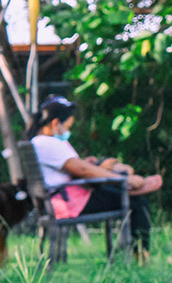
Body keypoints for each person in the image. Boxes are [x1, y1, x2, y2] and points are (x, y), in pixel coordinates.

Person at [30, 96, 162, 257]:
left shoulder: (38, 142)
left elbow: (75, 167)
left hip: (63, 197)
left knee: (118, 187)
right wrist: (120, 178)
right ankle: (141, 257)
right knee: (137, 202)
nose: (67, 131)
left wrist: (96, 166)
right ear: (56, 123)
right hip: (69, 203)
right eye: (67, 126)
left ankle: (127, 188)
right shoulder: (47, 143)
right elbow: (81, 170)